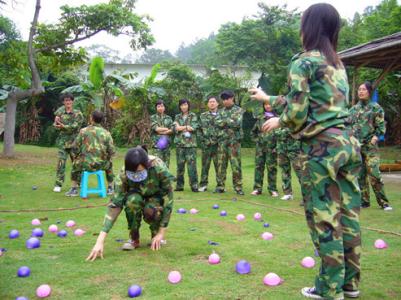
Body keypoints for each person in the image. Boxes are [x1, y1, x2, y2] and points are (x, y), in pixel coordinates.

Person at [250, 4, 362, 299]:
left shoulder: (303, 62)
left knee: (323, 216)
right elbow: (315, 103)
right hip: (348, 145)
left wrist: (280, 120)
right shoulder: (337, 64)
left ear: (308, 27)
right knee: (348, 215)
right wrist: (269, 98)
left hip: (321, 148)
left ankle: (329, 288)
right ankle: (350, 284)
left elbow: (297, 112)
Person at [86, 146, 175, 261]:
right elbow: (115, 205)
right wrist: (100, 241)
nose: (136, 175)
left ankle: (155, 235)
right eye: (132, 172)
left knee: (152, 208)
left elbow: (169, 200)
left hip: (155, 196)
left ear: (146, 165)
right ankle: (134, 238)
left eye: (139, 171)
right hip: (135, 194)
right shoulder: (123, 175)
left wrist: (161, 233)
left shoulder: (159, 169)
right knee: (132, 201)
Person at [349, 81, 392, 211]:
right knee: (360, 176)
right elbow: (347, 126)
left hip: (370, 147)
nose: (360, 92)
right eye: (359, 89)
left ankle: (384, 203)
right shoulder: (353, 109)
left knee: (374, 175)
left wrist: (375, 137)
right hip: (357, 147)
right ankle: (364, 201)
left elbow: (381, 126)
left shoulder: (375, 108)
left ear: (369, 92)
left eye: (363, 89)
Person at [65, 111, 115, 197]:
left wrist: (76, 156)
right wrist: (108, 157)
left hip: (85, 163)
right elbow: (112, 151)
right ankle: (110, 187)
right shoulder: (106, 133)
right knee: (109, 164)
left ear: (91, 118)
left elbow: (75, 147)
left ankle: (73, 189)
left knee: (75, 165)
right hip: (101, 164)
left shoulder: (83, 131)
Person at [53, 93, 84, 192]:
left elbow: (75, 126)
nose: (68, 102)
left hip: (75, 142)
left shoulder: (78, 113)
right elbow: (55, 127)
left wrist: (63, 127)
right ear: (63, 102)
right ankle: (58, 184)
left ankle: (80, 182)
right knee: (61, 163)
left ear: (72, 101)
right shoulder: (60, 114)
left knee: (77, 163)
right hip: (63, 142)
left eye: (70, 100)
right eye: (66, 100)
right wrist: (56, 123)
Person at [215, 90, 244, 195]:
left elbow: (237, 123)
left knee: (235, 165)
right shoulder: (220, 111)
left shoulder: (239, 110)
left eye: (227, 99)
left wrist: (224, 121)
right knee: (221, 165)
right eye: (223, 99)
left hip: (234, 142)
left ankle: (238, 187)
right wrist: (228, 121)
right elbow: (217, 123)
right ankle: (220, 186)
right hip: (222, 141)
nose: (225, 101)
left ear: (232, 98)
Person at [250, 101, 279, 197]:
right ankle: (257, 189)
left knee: (272, 169)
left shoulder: (278, 119)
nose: (267, 106)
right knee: (259, 168)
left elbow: (282, 134)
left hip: (272, 148)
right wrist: (258, 140)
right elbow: (253, 133)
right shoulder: (260, 119)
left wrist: (277, 145)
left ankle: (273, 189)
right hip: (260, 149)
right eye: (265, 104)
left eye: (269, 104)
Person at [173, 99, 199, 192]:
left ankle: (194, 185)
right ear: (179, 106)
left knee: (192, 166)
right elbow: (175, 129)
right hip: (180, 145)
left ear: (188, 105)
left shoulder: (193, 115)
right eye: (182, 105)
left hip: (190, 145)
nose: (184, 106)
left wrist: (181, 127)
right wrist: (186, 127)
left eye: (185, 104)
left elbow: (194, 128)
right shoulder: (177, 116)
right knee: (180, 166)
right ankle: (179, 186)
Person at [198, 96, 220, 192]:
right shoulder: (203, 116)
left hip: (218, 146)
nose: (212, 103)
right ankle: (203, 185)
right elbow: (199, 130)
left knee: (219, 166)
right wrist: (203, 142)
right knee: (205, 166)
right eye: (210, 102)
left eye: (213, 102)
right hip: (206, 146)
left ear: (217, 103)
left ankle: (220, 185)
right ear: (208, 104)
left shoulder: (222, 115)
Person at [276, 127, 303, 201]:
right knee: (285, 172)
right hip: (282, 151)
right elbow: (276, 134)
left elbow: (296, 133)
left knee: (300, 172)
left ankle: (306, 195)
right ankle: (288, 194)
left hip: (294, 151)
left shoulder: (294, 122)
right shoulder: (280, 123)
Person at [150, 99, 174, 167]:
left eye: (162, 106)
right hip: (157, 146)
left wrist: (162, 131)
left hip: (167, 145)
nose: (160, 108)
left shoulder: (169, 118)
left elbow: (172, 130)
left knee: (166, 166)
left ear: (164, 107)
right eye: (158, 106)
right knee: (157, 165)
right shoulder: (153, 118)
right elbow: (156, 129)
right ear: (156, 108)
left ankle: (166, 178)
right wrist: (167, 129)